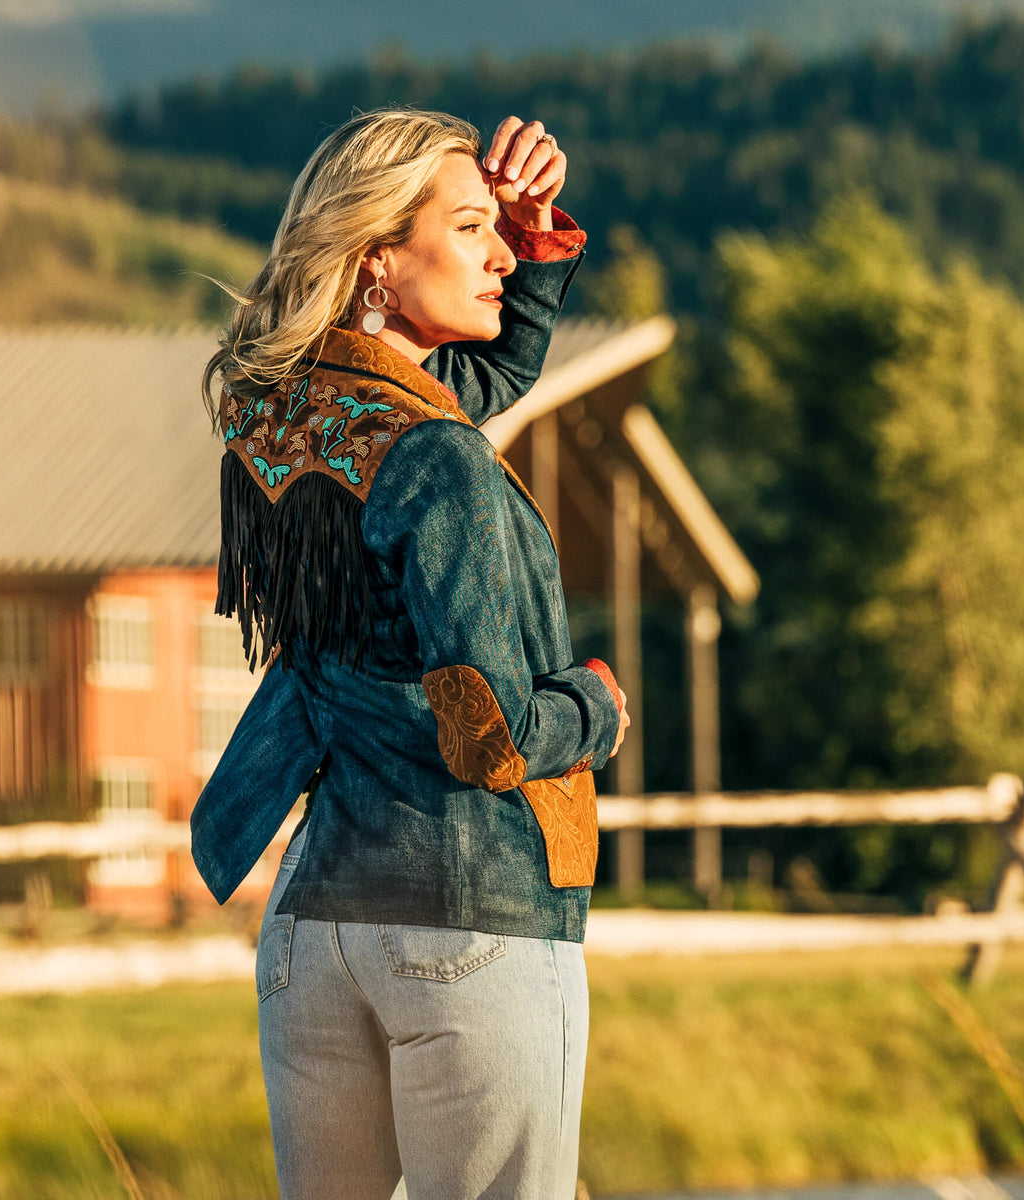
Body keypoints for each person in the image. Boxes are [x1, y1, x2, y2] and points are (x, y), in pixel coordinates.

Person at [191, 108, 630, 1200]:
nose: (500, 253)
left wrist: (525, 245)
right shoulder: (435, 460)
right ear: (379, 259)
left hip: (313, 930)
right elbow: (493, 733)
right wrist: (600, 705)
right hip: (466, 919)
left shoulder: (282, 428)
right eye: (474, 229)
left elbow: (452, 407)